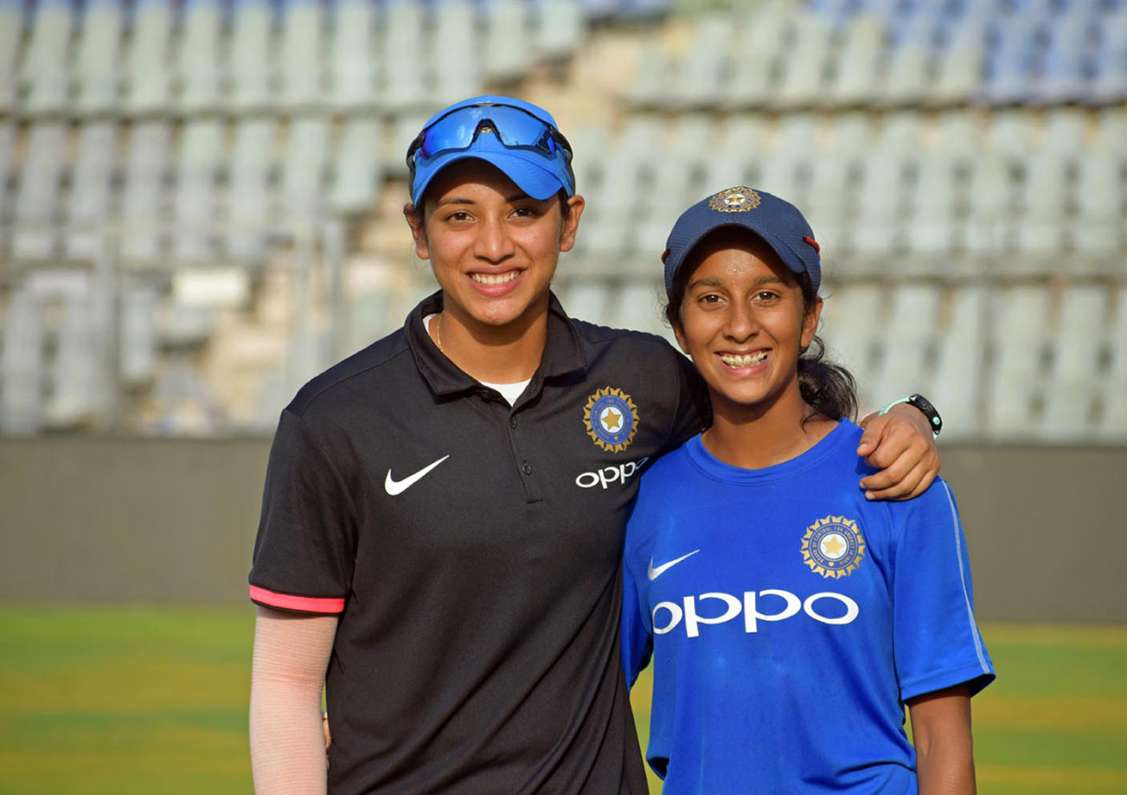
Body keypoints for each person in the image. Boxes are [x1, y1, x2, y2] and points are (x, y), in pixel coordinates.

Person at [247, 97, 943, 794]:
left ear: (568, 221)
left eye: (524, 210)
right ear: (418, 231)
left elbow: (770, 404)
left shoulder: (644, 380)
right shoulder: (333, 420)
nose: (493, 244)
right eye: (460, 214)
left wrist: (912, 415)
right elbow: (285, 684)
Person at [621, 186, 995, 794]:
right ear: (679, 327)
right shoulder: (648, 498)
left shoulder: (895, 480)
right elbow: (580, 692)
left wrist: (911, 413)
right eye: (711, 299)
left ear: (810, 316)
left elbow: (941, 741)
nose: (741, 325)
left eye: (767, 296)